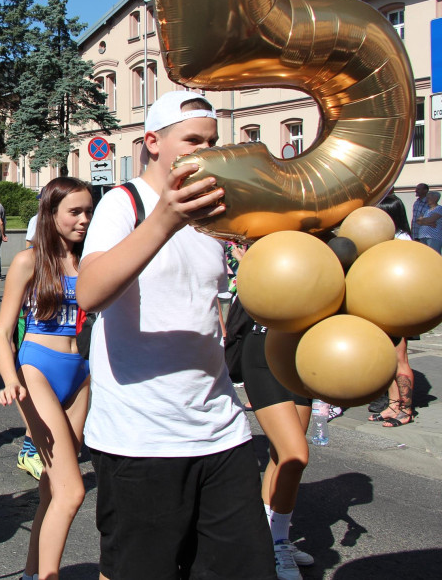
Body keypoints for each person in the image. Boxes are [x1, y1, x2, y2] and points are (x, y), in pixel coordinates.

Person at [77, 91, 274, 580]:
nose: (205, 152)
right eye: (192, 141)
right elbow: (90, 293)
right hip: (141, 437)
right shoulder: (123, 204)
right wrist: (166, 218)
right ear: (154, 143)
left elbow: (210, 307)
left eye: (211, 141)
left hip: (219, 429)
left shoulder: (217, 214)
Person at [0, 177, 93, 580]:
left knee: (53, 489)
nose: (84, 220)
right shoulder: (28, 261)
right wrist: (8, 378)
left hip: (82, 374)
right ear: (51, 215)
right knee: (73, 491)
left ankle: (33, 574)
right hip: (38, 369)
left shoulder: (92, 259)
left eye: (89, 211)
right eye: (75, 212)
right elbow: (1, 333)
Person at [233, 242, 316, 580]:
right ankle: (275, 542)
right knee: (296, 453)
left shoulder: (319, 241)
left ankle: (273, 537)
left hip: (304, 353)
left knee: (284, 460)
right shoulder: (268, 239)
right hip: (264, 351)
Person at [371, 194, 417, 428]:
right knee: (388, 357)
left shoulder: (402, 241)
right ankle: (393, 404)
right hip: (382, 305)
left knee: (399, 358)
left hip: (397, 308)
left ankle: (406, 410)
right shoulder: (386, 239)